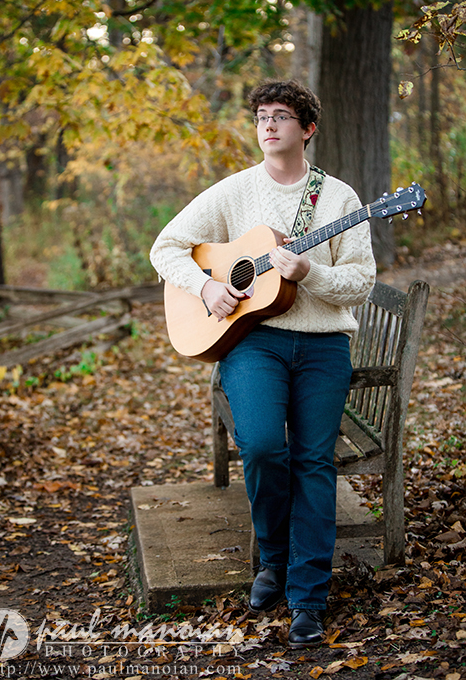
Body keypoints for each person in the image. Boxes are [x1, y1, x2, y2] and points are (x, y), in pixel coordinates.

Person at [150, 79, 376, 647]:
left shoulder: (340, 198)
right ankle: (272, 560)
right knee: (263, 447)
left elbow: (361, 283)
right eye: (261, 117)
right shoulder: (233, 192)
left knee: (313, 461)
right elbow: (166, 247)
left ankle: (308, 596)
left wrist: (309, 274)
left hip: (324, 346)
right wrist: (206, 290)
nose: (269, 125)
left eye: (281, 116)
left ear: (308, 128)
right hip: (255, 343)